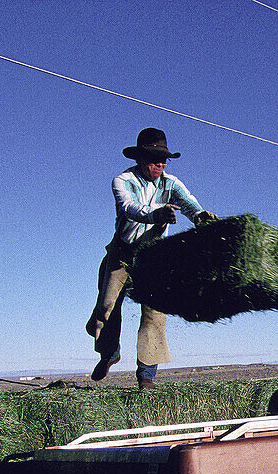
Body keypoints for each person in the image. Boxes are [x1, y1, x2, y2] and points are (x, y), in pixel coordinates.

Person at [86, 128, 216, 389]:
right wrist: (157, 215)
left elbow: (189, 203)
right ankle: (109, 353)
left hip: (155, 256)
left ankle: (147, 374)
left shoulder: (171, 183)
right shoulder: (122, 181)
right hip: (123, 252)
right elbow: (129, 208)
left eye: (163, 159)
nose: (160, 164)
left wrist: (200, 216)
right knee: (107, 307)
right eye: (154, 158)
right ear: (140, 159)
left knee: (155, 312)